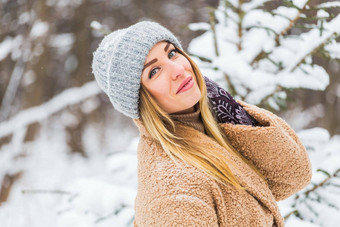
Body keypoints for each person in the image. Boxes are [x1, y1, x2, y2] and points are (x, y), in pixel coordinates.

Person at [92, 21, 312, 227]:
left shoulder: (213, 125)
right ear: (140, 100)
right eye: (154, 71)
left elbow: (292, 175)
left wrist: (228, 110)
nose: (178, 70)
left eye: (172, 53)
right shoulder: (173, 191)